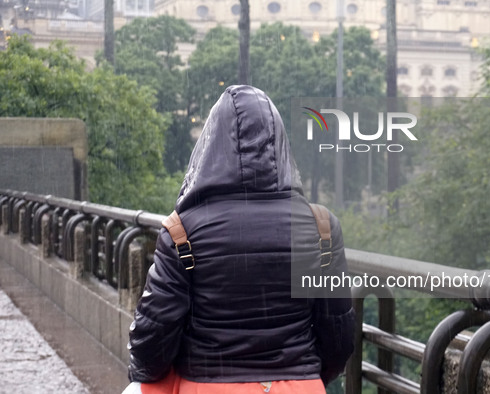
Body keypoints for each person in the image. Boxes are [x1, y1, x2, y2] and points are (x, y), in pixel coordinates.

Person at [126, 85, 355, 393]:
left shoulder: (182, 232)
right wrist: (305, 374)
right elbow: (338, 333)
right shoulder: (321, 227)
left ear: (211, 145)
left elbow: (154, 336)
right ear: (279, 143)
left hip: (207, 386)